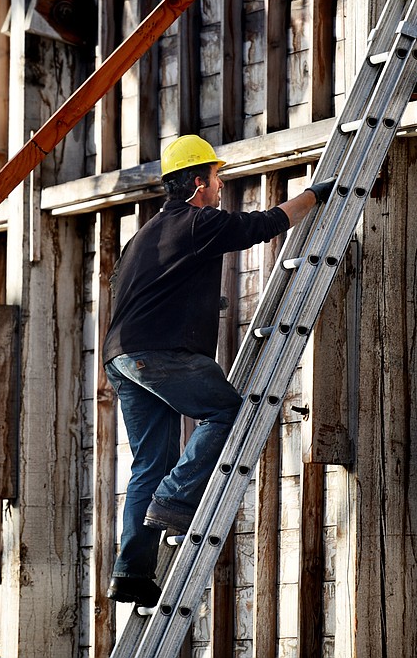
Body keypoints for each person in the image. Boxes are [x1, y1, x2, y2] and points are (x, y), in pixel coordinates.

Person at [102, 134, 334, 607]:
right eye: (215, 177)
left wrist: (207, 303)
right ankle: (175, 499)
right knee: (227, 411)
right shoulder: (197, 222)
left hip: (123, 359)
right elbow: (261, 225)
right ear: (196, 183)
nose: (221, 184)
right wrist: (314, 195)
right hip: (160, 354)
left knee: (148, 462)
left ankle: (130, 571)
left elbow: (146, 290)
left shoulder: (144, 235)